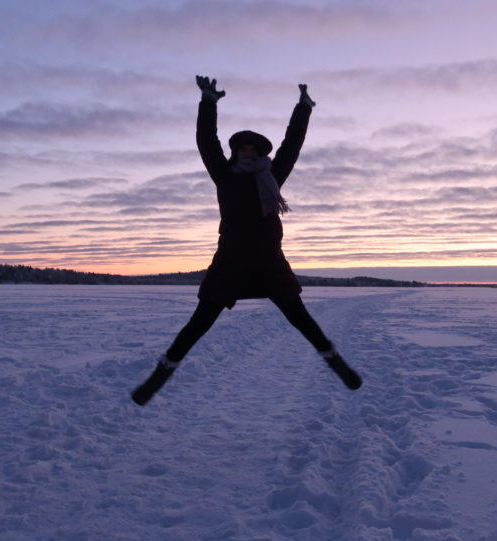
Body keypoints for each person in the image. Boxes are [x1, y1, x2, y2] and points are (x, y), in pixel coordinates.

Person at [131, 76, 362, 406]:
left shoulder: (273, 175)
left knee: (299, 317)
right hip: (231, 260)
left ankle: (336, 363)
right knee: (200, 322)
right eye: (242, 148)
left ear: (260, 152)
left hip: (269, 259)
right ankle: (160, 375)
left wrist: (303, 109)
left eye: (252, 148)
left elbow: (291, 145)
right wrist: (208, 101)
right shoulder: (223, 176)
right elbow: (206, 141)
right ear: (235, 152)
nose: (247, 152)